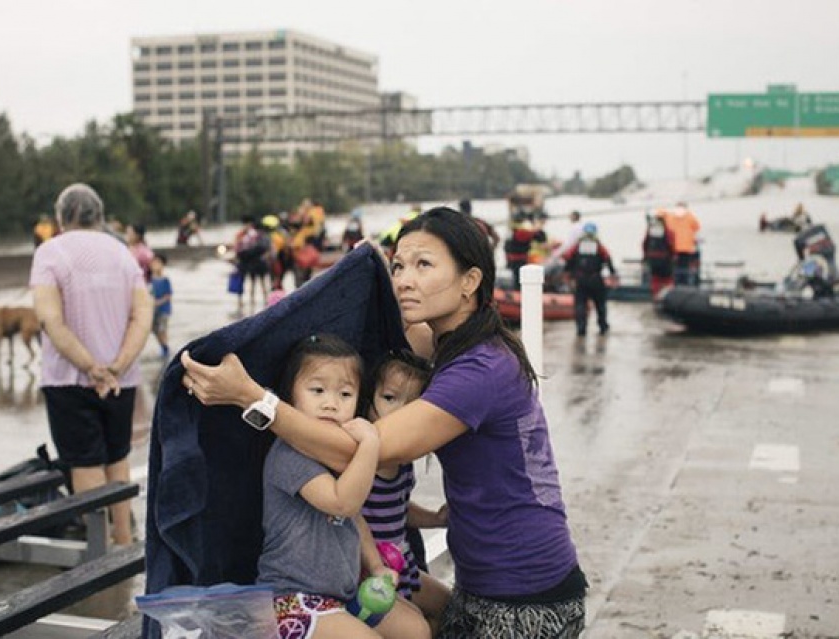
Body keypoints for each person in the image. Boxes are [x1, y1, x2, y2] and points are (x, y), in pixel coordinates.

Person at [181, 206, 588, 639]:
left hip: (524, 595)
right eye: (398, 266)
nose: (404, 280)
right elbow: (348, 346)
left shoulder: (481, 368)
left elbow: (362, 448)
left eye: (424, 265)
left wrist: (253, 398)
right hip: (484, 582)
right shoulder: (448, 342)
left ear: (470, 281)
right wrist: (361, 275)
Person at [256, 333, 429, 639]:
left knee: (415, 629)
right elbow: (341, 503)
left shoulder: (335, 456)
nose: (331, 404)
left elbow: (354, 517)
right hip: (292, 599)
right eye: (317, 390)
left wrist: (375, 566)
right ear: (290, 398)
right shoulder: (288, 453)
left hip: (344, 595)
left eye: (345, 394)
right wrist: (370, 444)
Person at [30, 183, 153, 546]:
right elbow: (142, 315)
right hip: (120, 380)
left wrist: (89, 367)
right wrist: (116, 366)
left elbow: (51, 320)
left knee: (85, 464)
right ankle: (123, 540)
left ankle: (99, 555)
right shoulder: (122, 254)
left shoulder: (50, 253)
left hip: (69, 379)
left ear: (61, 216)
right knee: (117, 458)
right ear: (99, 215)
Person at [362, 351, 451, 631]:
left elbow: (400, 509)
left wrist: (436, 519)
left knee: (448, 606)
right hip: (369, 574)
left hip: (404, 566)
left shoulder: (403, 463)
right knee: (413, 629)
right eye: (389, 398)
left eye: (412, 405)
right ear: (368, 401)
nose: (400, 412)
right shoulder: (359, 460)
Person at [562, 222, 617, 336]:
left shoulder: (577, 246)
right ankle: (602, 327)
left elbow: (568, 259)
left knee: (580, 305)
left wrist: (568, 274)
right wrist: (613, 274)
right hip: (596, 279)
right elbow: (608, 259)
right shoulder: (599, 246)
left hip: (581, 280)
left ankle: (581, 329)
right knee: (600, 305)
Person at [661, 202, 701, 286]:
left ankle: (674, 283)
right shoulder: (690, 217)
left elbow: (660, 215)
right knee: (684, 267)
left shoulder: (670, 216)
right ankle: (683, 285)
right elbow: (697, 227)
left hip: (672, 247)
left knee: (673, 267)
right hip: (685, 248)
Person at [642, 211, 675, 297]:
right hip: (665, 260)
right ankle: (668, 297)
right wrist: (673, 256)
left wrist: (646, 256)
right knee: (668, 279)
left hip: (652, 260)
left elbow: (644, 244)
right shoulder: (667, 231)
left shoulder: (650, 231)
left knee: (655, 279)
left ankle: (656, 296)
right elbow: (671, 244)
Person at [149, 252, 173, 359]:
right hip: (154, 310)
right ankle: (163, 346)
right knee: (154, 329)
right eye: (153, 262)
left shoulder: (165, 280)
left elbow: (168, 295)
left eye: (158, 263)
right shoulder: (150, 280)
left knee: (162, 329)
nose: (155, 265)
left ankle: (165, 348)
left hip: (164, 310)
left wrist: (158, 302)